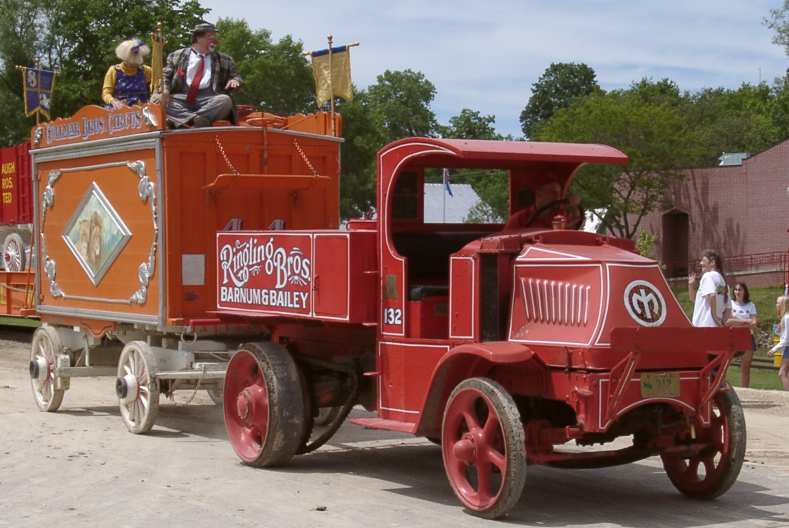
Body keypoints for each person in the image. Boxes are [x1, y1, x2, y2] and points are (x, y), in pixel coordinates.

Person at [161, 22, 242, 128]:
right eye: (210, 36)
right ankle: (196, 120)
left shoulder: (225, 59)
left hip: (209, 99)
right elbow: (165, 76)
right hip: (182, 98)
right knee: (160, 101)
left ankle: (188, 120)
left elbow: (236, 76)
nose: (214, 40)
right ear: (198, 38)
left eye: (215, 36)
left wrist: (235, 80)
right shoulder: (176, 55)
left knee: (225, 100)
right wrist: (165, 91)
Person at [102, 38, 152, 108]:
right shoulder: (114, 70)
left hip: (141, 110)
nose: (134, 64)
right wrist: (113, 101)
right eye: (132, 62)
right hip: (119, 111)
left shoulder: (146, 70)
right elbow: (106, 93)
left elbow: (156, 84)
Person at [725, 282, 758, 387]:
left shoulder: (751, 305)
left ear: (745, 291)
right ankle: (723, 386)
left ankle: (745, 389)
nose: (738, 292)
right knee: (725, 364)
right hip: (733, 336)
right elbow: (728, 321)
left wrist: (739, 322)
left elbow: (754, 323)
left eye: (740, 290)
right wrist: (746, 322)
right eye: (736, 289)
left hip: (747, 336)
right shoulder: (730, 303)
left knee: (746, 366)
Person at [688, 249, 727, 327]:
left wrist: (715, 318)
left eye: (703, 260)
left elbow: (711, 296)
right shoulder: (723, 282)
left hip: (704, 327)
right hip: (715, 327)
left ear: (712, 262)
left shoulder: (707, 276)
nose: (700, 263)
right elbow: (695, 300)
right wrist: (691, 286)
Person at [769, 295, 789, 390]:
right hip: (786, 348)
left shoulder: (787, 318)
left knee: (782, 373)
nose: (776, 305)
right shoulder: (785, 318)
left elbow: (786, 339)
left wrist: (773, 350)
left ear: (783, 305)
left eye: (778, 303)